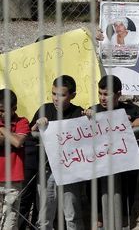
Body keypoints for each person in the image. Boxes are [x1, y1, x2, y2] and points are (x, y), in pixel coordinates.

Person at [83, 75, 139, 230]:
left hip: (125, 169)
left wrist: (132, 122)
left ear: (118, 94)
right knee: (98, 210)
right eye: (100, 93)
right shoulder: (93, 109)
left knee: (123, 209)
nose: (103, 98)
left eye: (107, 94)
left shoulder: (132, 110)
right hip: (99, 168)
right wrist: (87, 118)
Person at [31, 75, 84, 230]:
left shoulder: (78, 112)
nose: (56, 98)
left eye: (61, 95)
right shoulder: (44, 109)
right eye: (54, 93)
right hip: (46, 171)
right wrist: (37, 126)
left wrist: (91, 118)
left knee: (72, 215)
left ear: (72, 95)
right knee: (44, 216)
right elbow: (29, 133)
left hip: (69, 171)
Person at [18, 34, 53, 230]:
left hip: (54, 150)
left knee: (46, 198)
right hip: (31, 147)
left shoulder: (64, 81)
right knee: (26, 194)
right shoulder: (24, 76)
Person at [0, 89, 30, 230]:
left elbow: (18, 142)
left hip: (13, 182)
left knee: (10, 222)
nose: (1, 114)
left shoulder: (22, 121)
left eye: (4, 110)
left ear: (14, 109)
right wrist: (11, 137)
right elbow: (14, 140)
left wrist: (2, 129)